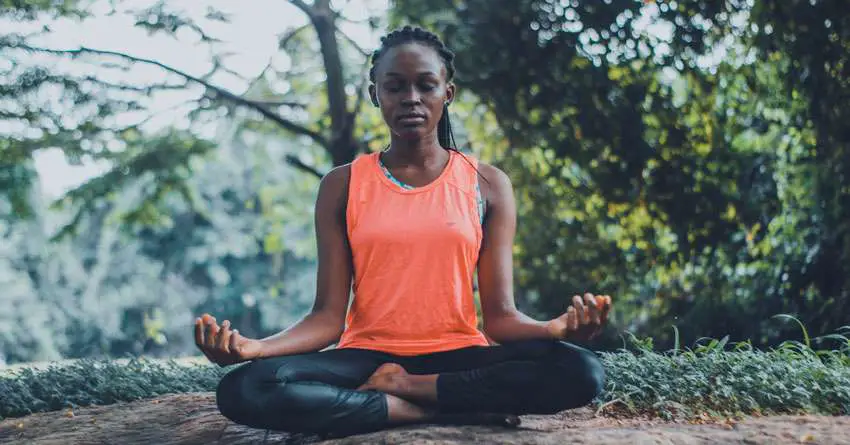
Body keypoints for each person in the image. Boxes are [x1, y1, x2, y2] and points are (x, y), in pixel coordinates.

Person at [194, 25, 612, 437]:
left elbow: (501, 320)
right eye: (395, 87)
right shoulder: (342, 185)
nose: (411, 98)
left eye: (425, 85)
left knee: (580, 370)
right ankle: (427, 413)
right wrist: (256, 348)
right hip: (364, 358)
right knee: (246, 387)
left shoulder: (486, 184)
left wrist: (555, 329)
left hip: (456, 356)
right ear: (376, 93)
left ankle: (405, 392)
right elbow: (326, 318)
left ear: (447, 93)